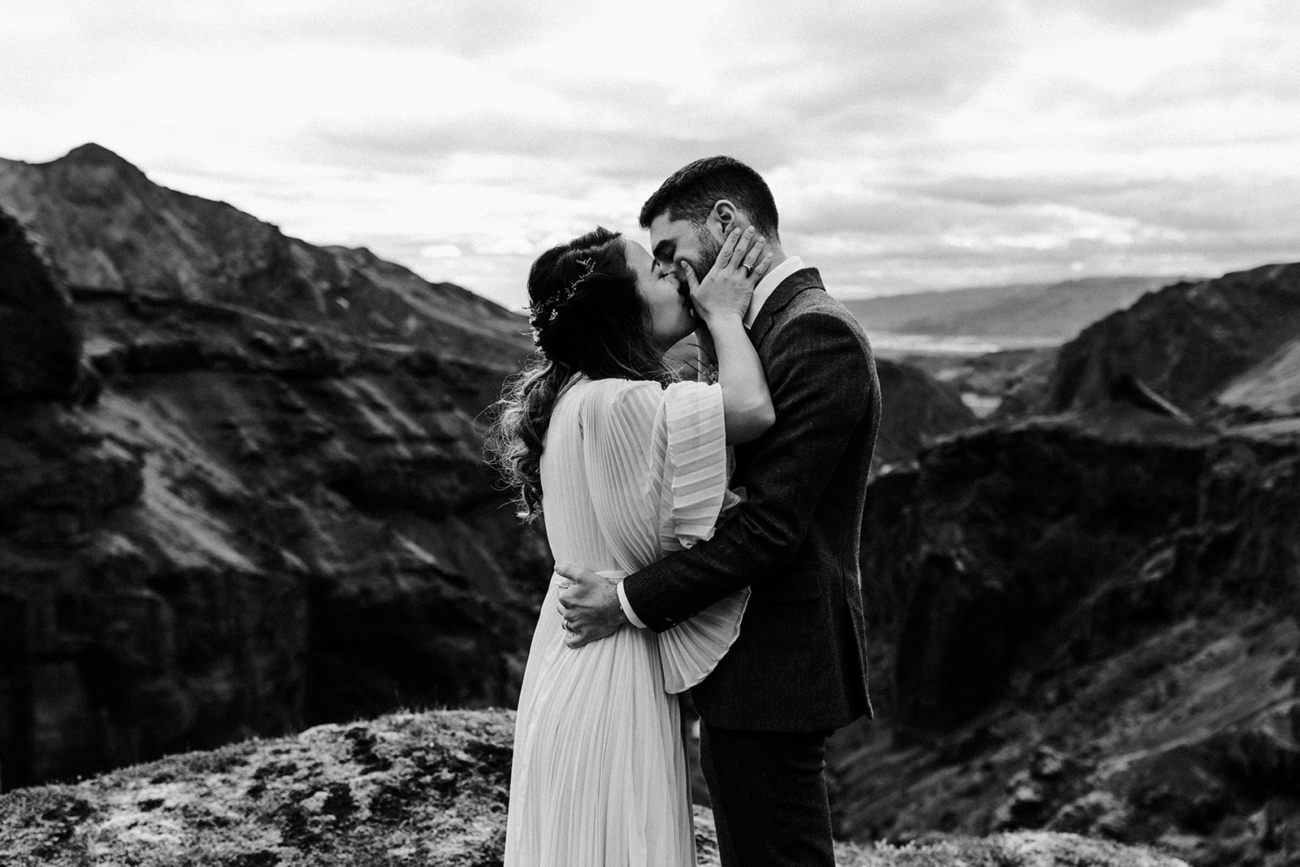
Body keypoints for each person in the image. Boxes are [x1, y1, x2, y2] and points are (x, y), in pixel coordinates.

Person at [557, 156, 882, 866]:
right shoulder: (748, 330)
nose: (670, 275)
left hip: (779, 663)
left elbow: (768, 527)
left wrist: (625, 601)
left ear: (728, 224)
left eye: (672, 253)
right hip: (743, 661)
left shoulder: (814, 333)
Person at [487, 222, 778, 865]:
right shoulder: (622, 402)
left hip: (575, 657)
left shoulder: (576, 395)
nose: (674, 278)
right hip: (611, 668)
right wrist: (725, 315)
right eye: (655, 272)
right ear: (623, 307)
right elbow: (752, 411)